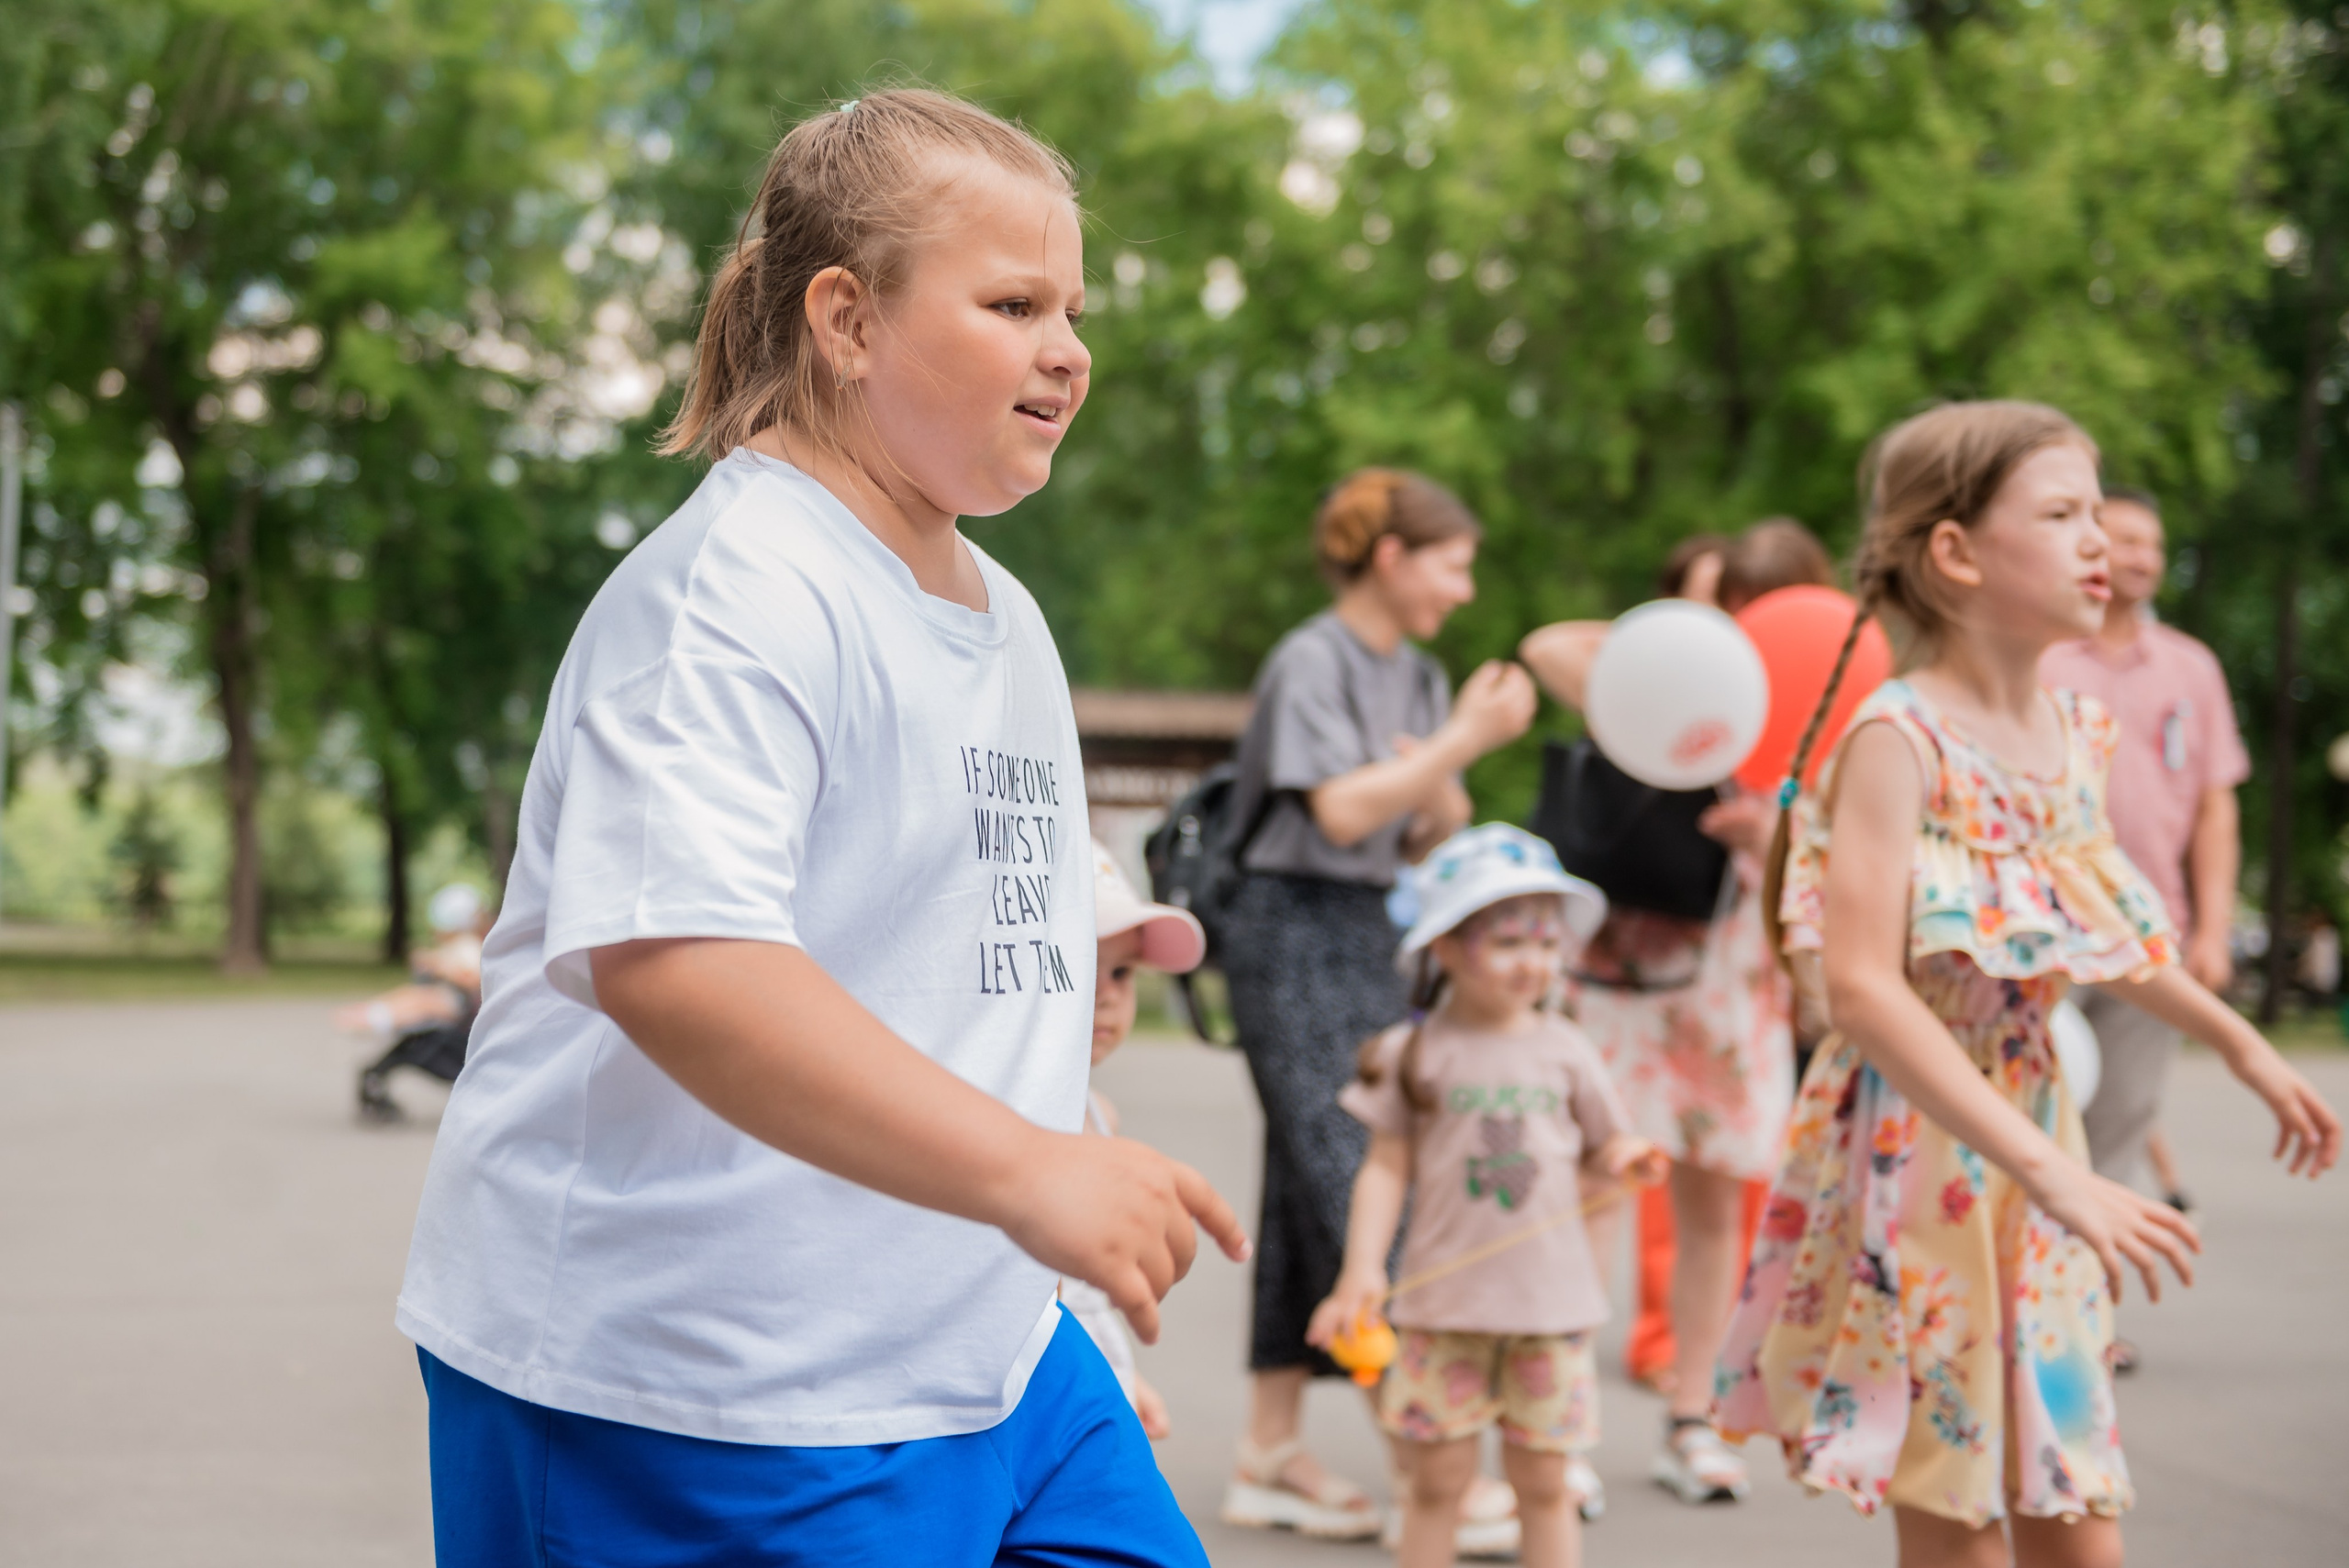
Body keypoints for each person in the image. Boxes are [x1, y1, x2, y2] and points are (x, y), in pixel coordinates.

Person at [395, 89, 1246, 1568]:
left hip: (984, 1346)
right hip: (702, 1390)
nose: (1069, 347)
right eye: (1012, 301)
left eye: (1073, 308)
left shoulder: (1008, 613)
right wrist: (1029, 1171)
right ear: (846, 318)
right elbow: (680, 963)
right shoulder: (735, 588)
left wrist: (1057, 1166)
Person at [1717, 399, 2339, 1566]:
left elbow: (2111, 931)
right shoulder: (1896, 739)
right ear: (1954, 553)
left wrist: (2246, 1047)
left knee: (2072, 1513)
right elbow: (1858, 989)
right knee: (1958, 1525)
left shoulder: (2073, 734)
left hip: (2036, 1143)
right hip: (1920, 1157)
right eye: (2061, 514)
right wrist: (2056, 1171)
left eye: (2098, 513)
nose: (2100, 541)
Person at [1218, 468, 1537, 1545]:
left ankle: (1268, 1451)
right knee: (1355, 1173)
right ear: (1394, 557)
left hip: (1366, 928)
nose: (1466, 583)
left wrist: (1443, 765)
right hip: (1286, 924)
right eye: (1454, 561)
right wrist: (1457, 747)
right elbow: (1346, 806)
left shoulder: (1423, 673)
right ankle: (1426, 1460)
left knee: (1306, 1183)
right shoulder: (1312, 657)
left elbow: (1427, 824)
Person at [1516, 517, 1826, 1507]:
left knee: (1709, 1206)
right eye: (1699, 601)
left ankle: (1693, 1413)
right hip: (1622, 975)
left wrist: (1764, 823)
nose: (1715, 621)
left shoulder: (1814, 709)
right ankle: (1561, 1425)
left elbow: (1828, 851)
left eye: (1730, 605)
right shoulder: (1659, 683)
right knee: (1589, 1193)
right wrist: (1673, 650)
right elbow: (1547, 646)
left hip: (1728, 979)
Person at [1307, 823, 1662, 1568]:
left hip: (1552, 1312)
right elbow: (1384, 1167)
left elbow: (1606, 1146)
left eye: (1543, 940)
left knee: (1545, 1481)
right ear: (1446, 949)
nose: (1532, 960)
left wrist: (1628, 1157)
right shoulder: (1416, 1051)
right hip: (1444, 1311)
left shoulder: (1567, 1049)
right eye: (1507, 942)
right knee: (1435, 1482)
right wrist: (1362, 1268)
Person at [2039, 489, 2247, 1190]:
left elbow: (2216, 809)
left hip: (2150, 929)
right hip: (2046, 928)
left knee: (2123, 1120)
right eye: (2126, 541)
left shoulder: (2192, 668)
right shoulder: (2041, 657)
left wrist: (2213, 931)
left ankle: (2093, 1292)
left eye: (2154, 547)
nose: (2142, 558)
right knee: (2033, 1120)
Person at [1060, 839, 1209, 1440]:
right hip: (1037, 1392)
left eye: (1122, 970)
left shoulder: (1101, 1114)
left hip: (1091, 1373)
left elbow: (1088, 1299)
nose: (1109, 993)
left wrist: (1125, 1374)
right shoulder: (992, 1122)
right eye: (1081, 963)